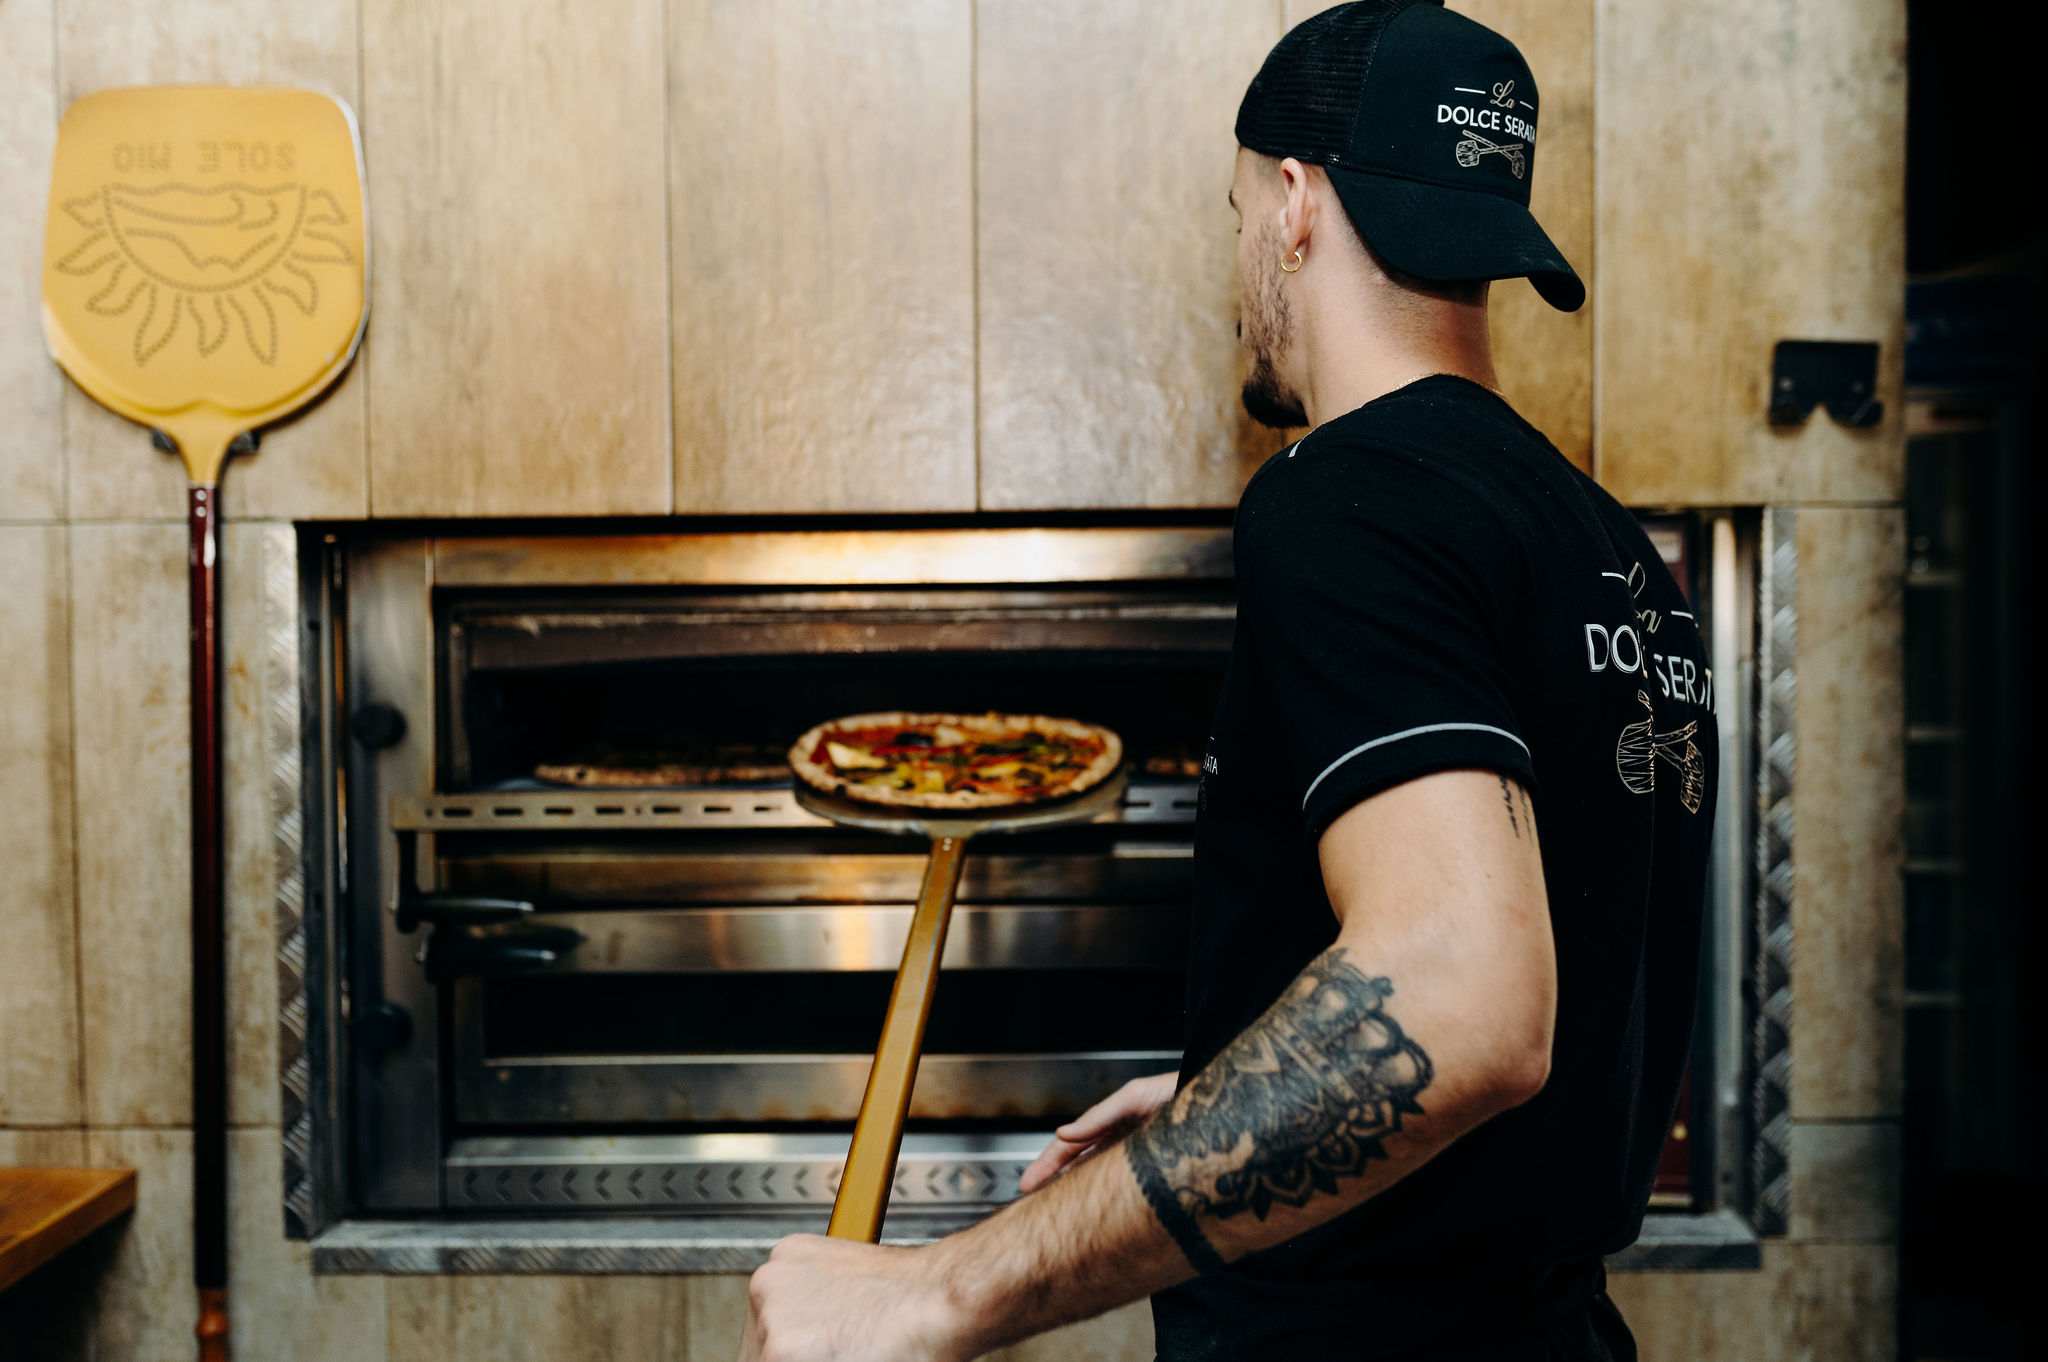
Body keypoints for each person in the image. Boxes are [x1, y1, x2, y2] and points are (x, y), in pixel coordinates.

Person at [739, 3, 1716, 1358]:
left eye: (1238, 205)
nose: (1242, 247)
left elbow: (1465, 995)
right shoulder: (1605, 544)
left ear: (1298, 205)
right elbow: (1534, 996)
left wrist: (935, 1289)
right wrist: (1231, 1110)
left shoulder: (1349, 497)